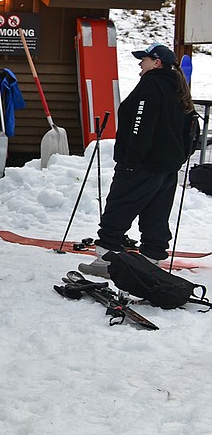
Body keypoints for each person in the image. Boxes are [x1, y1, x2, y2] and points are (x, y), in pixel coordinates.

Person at [83, 43, 198, 277]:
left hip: (143, 163)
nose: (139, 64)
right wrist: (181, 156)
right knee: (156, 212)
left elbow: (140, 123)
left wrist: (130, 160)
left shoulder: (152, 83)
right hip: (167, 165)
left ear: (157, 63)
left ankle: (108, 258)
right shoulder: (178, 86)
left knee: (120, 205)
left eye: (143, 60)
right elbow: (189, 126)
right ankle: (151, 258)